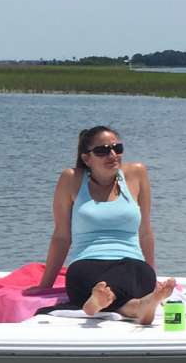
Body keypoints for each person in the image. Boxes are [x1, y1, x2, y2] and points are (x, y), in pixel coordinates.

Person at [37, 126, 177, 325]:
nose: (112, 155)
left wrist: (152, 275)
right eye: (102, 151)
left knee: (136, 272)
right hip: (88, 264)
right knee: (86, 276)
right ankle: (137, 307)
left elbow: (145, 232)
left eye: (117, 148)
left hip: (132, 263)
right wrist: (45, 285)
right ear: (87, 159)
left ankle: (96, 303)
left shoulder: (137, 174)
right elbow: (61, 237)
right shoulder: (71, 179)